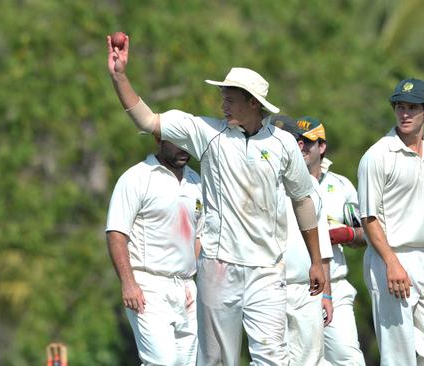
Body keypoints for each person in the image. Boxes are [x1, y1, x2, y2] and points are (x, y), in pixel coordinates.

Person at [107, 35, 326, 365]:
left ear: (253, 103)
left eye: (231, 99)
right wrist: (120, 76)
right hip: (218, 267)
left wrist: (315, 259)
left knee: (273, 358)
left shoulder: (282, 144)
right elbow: (147, 120)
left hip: (266, 269)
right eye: (223, 97)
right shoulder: (208, 133)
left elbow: (302, 200)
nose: (223, 104)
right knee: (216, 359)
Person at [357, 78, 424, 365]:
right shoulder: (377, 156)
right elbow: (368, 218)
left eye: (413, 108)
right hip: (388, 258)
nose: (405, 114)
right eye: (400, 107)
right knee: (398, 355)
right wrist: (392, 262)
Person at [105, 138, 202, 365]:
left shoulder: (196, 181)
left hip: (187, 288)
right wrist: (128, 283)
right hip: (148, 286)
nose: (184, 149)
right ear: (159, 139)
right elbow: (116, 233)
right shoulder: (137, 177)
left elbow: (199, 236)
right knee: (161, 361)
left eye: (188, 143)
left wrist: (194, 280)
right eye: (178, 142)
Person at [292, 116, 367, 365]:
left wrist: (345, 234)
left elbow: (364, 234)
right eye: (296, 142)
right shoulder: (284, 183)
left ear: (321, 147)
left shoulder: (341, 185)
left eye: (307, 142)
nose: (301, 147)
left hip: (335, 280)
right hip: (295, 286)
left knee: (348, 358)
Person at [270, 114, 334, 366]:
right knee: (271, 359)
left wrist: (326, 296)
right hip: (268, 285)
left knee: (310, 359)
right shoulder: (259, 183)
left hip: (307, 289)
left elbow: (322, 250)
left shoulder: (311, 187)